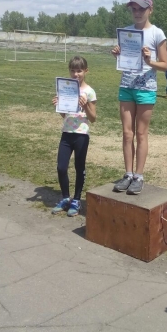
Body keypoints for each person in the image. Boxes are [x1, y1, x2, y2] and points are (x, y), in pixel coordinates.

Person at [111, 0, 167, 195]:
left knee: (141, 134)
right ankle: (128, 174)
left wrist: (149, 61)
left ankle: (139, 176)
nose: (137, 13)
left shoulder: (157, 33)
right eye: (133, 9)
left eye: (141, 9)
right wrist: (117, 54)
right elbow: (124, 58)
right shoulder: (126, 32)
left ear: (150, 9)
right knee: (127, 133)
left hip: (146, 89)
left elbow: (165, 65)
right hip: (126, 86)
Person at [51, 56, 97, 217]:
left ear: (86, 71)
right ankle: (65, 198)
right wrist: (59, 106)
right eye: (72, 70)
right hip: (67, 133)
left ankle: (76, 200)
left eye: (79, 71)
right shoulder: (65, 89)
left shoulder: (89, 91)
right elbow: (65, 115)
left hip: (81, 135)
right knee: (61, 167)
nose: (76, 74)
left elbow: (93, 118)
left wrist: (85, 105)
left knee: (79, 167)